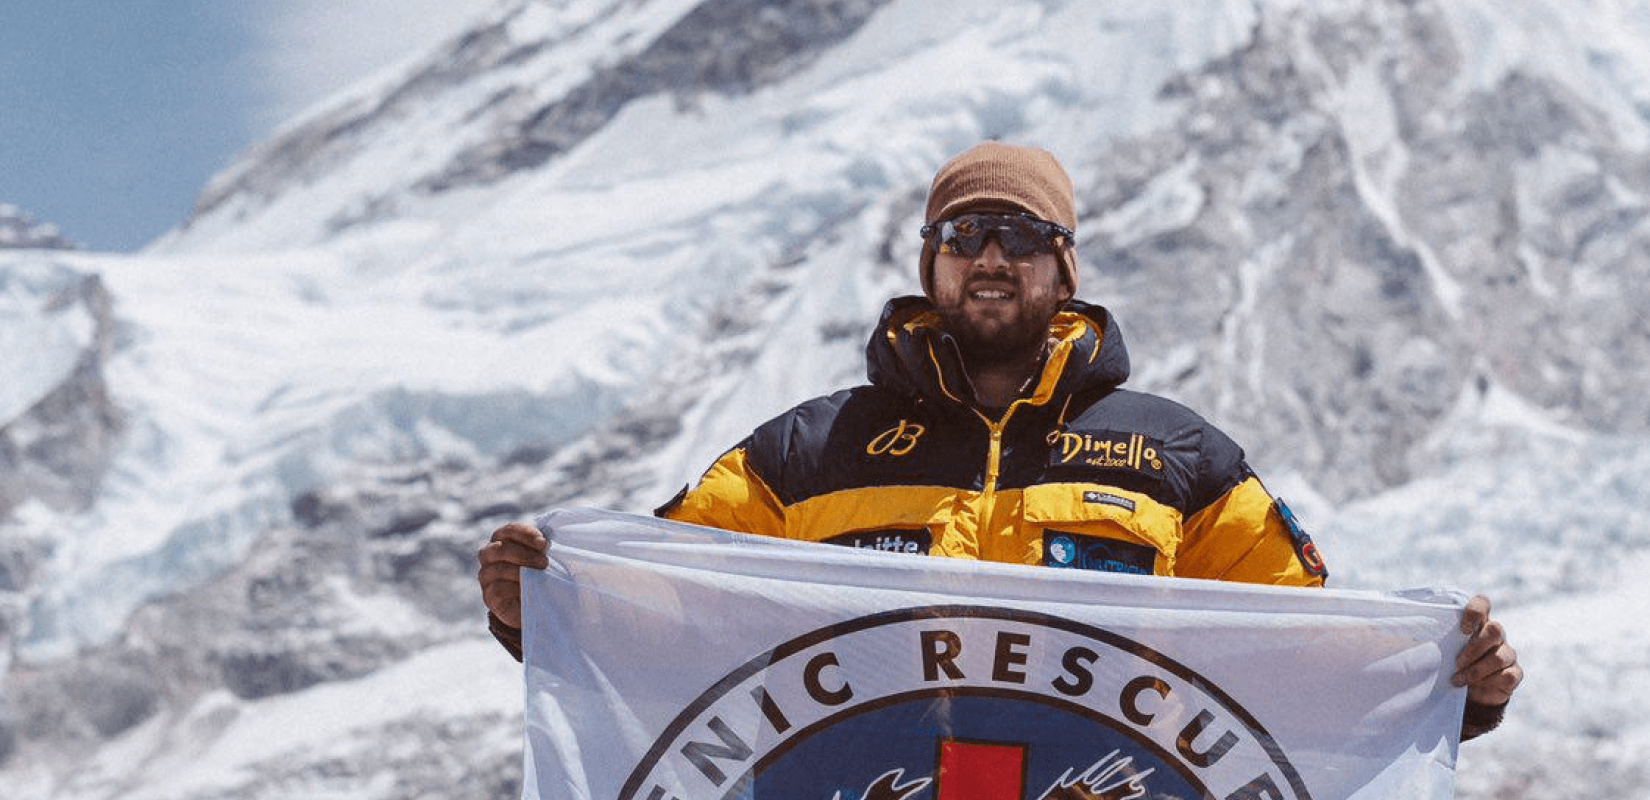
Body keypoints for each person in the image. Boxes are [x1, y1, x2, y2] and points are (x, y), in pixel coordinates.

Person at [477, 141, 1521, 738]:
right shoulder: (805, 450)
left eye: (1022, 236)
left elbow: (1304, 652)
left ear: (1065, 271)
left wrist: (1450, 684)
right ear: (927, 264)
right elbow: (673, 609)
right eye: (961, 234)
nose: (990, 255)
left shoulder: (1178, 456)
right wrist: (545, 609)